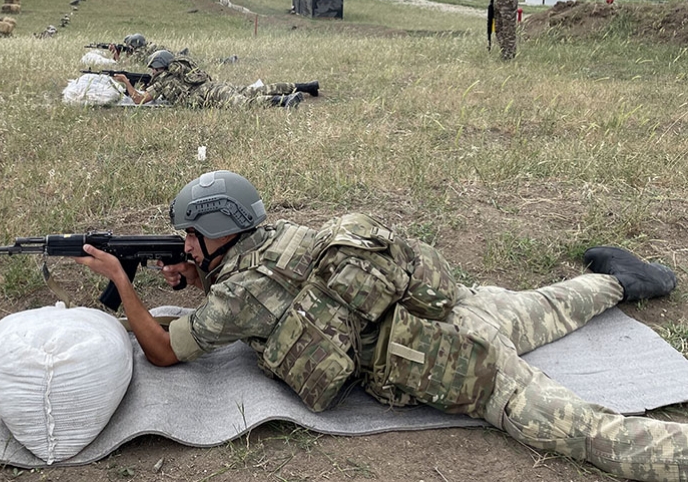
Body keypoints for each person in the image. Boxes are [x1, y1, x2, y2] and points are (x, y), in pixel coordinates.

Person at [75, 170, 686, 482]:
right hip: (455, 306)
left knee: (584, 432)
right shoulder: (281, 238)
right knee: (540, 307)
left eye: (190, 236)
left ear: (217, 234)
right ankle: (624, 281)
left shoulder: (239, 297)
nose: (183, 245)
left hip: (454, 360)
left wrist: (123, 283)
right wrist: (198, 275)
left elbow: (162, 350)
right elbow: (267, 289)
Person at [115, 50, 319, 109]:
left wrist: (126, 82)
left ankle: (283, 101)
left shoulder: (163, 82)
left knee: (244, 104)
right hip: (215, 86)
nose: (151, 72)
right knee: (258, 89)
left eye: (152, 69)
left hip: (211, 95)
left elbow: (139, 100)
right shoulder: (181, 69)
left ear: (158, 67)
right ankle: (307, 86)